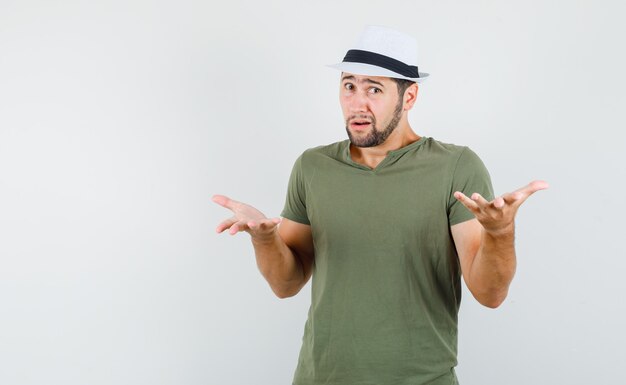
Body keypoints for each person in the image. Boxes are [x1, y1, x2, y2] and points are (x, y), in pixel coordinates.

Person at [213, 25, 548, 385]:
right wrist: (264, 240)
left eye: (374, 89)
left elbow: (490, 293)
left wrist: (500, 232)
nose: (358, 103)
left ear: (409, 97)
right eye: (349, 86)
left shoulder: (457, 167)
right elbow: (286, 284)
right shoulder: (312, 167)